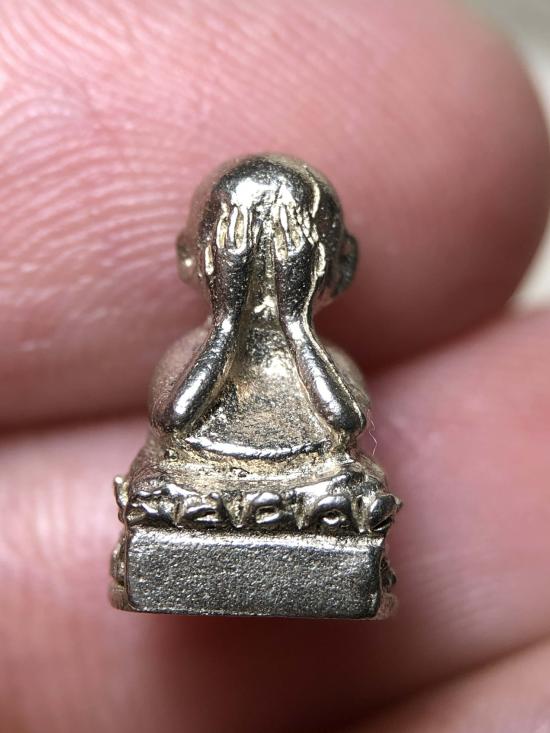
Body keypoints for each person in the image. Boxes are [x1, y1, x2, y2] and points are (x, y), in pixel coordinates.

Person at [1, 0, 550, 731]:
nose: (262, 260)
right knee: (160, 491)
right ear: (195, 261)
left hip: (308, 492)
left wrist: (293, 323)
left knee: (353, 494)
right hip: (199, 492)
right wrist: (231, 324)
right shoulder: (191, 353)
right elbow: (176, 418)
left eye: (288, 246)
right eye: (239, 244)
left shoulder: (327, 355)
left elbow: (345, 422)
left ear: (333, 265)